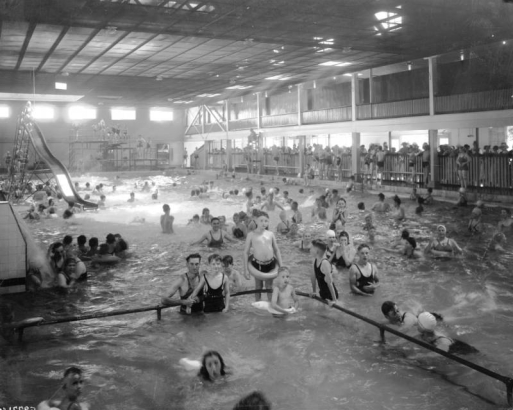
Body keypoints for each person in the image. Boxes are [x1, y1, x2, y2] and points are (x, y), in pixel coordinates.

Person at [243, 212, 283, 301]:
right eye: (261, 220)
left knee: (269, 286)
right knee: (258, 286)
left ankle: (271, 305)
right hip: (258, 264)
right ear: (256, 221)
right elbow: (246, 252)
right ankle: (258, 304)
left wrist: (281, 266)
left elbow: (276, 250)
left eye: (266, 221)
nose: (263, 223)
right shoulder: (251, 235)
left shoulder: (270, 234)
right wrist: (245, 269)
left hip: (271, 263)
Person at [310, 239, 339, 305]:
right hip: (323, 294)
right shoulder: (315, 260)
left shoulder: (325, 263)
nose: (310, 250)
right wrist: (314, 291)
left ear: (317, 251)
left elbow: (330, 282)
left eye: (311, 248)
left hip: (331, 296)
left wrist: (334, 301)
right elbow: (313, 277)